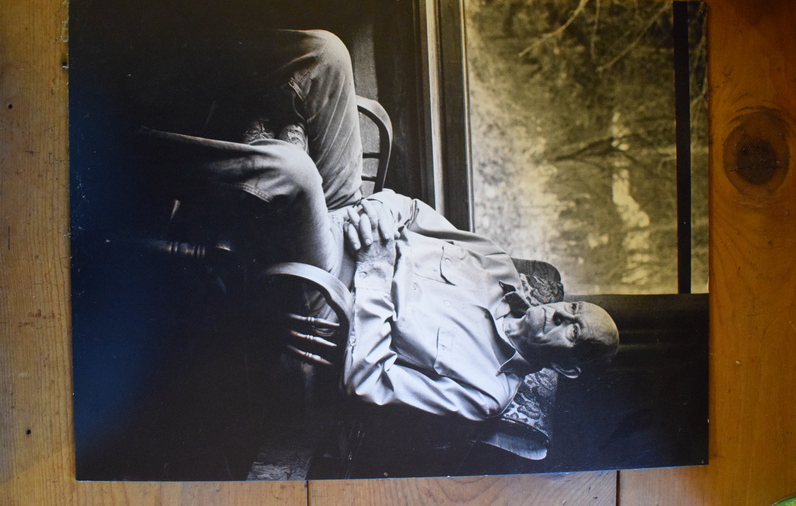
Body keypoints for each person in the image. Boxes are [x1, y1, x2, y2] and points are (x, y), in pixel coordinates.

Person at [148, 29, 619, 422]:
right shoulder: (496, 266)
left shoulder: (484, 392)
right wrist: (384, 210)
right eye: (572, 308)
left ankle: (128, 155)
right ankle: (173, 64)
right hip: (353, 211)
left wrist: (373, 265)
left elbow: (369, 382)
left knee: (294, 170)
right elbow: (414, 211)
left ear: (568, 368)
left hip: (334, 286)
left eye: (571, 331)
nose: (558, 313)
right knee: (327, 53)